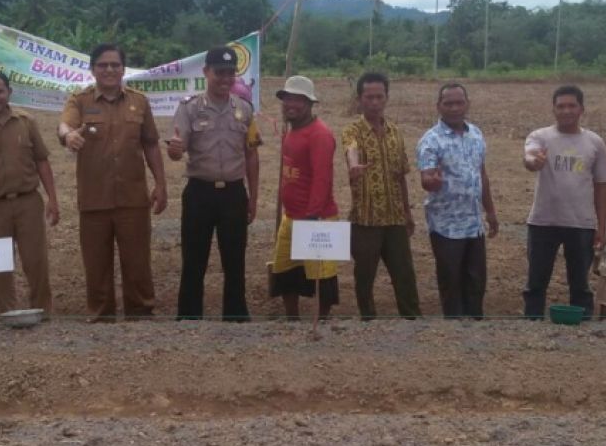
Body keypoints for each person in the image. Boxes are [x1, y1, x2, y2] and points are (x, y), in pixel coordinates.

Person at [58, 44, 167, 321]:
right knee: (96, 262)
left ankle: (140, 310)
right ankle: (101, 313)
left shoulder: (139, 102)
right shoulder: (79, 100)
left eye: (115, 65)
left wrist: (161, 184)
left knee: (137, 260)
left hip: (133, 197)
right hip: (94, 198)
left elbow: (151, 144)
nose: (109, 70)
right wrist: (69, 136)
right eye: (103, 65)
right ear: (93, 69)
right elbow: (65, 126)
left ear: (123, 69)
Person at [166, 45, 261, 321]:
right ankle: (189, 317)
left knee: (235, 260)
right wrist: (173, 151)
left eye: (231, 73)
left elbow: (252, 155)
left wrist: (253, 198)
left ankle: (236, 317)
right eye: (219, 72)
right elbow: (177, 149)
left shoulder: (245, 109)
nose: (225, 79)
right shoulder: (190, 108)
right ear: (206, 72)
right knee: (194, 260)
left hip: (233, 193)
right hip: (199, 194)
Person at [0, 70, 60, 314]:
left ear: (9, 93)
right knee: (1, 262)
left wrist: (53, 199)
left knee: (35, 260)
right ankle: (9, 311)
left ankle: (42, 310)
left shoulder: (27, 122)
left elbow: (42, 162)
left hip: (28, 201)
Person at [521, 85, 606, 321]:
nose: (566, 111)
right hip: (542, 222)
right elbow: (529, 157)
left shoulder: (595, 143)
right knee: (536, 282)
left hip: (581, 223)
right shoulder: (541, 137)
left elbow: (601, 186)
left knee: (580, 283)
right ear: (553, 109)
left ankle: (582, 326)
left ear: (582, 109)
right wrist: (535, 161)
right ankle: (531, 324)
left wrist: (601, 227)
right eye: (561, 106)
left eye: (571, 105)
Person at [341, 72, 421, 320]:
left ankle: (412, 320)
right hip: (365, 219)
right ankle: (368, 320)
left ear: (386, 98)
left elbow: (401, 176)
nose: (374, 102)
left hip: (395, 217)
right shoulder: (352, 130)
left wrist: (407, 213)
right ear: (360, 99)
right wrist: (353, 166)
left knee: (404, 273)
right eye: (369, 97)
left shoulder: (395, 132)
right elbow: (351, 149)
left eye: (379, 96)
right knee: (364, 275)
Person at [417, 83, 499, 319]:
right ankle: (453, 332)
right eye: (448, 103)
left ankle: (474, 328)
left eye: (459, 102)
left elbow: (481, 174)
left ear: (467, 104)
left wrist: (490, 212)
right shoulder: (430, 141)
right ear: (438, 107)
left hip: (474, 225)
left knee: (476, 281)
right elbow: (426, 178)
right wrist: (432, 181)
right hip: (446, 226)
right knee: (450, 282)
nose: (454, 108)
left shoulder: (476, 134)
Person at [270, 75, 339, 319]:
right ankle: (292, 319)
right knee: (285, 268)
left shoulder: (319, 134)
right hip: (291, 216)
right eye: (287, 98)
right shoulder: (291, 131)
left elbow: (323, 178)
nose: (291, 104)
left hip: (316, 217)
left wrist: (312, 215)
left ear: (310, 104)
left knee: (322, 274)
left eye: (297, 99)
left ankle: (322, 320)